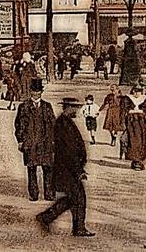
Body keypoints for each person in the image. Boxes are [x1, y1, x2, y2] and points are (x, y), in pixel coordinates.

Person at [36, 97, 93, 238]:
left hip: (68, 168)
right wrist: (78, 171)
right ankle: (76, 227)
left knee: (72, 198)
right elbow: (70, 151)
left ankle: (47, 218)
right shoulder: (63, 124)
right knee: (78, 197)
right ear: (68, 108)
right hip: (67, 169)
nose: (77, 110)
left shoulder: (65, 122)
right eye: (75, 108)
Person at [14, 80, 55, 201]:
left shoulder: (47, 106)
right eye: (33, 91)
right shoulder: (24, 107)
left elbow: (52, 124)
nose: (35, 94)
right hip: (30, 142)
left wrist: (53, 140)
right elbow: (19, 125)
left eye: (38, 91)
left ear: (41, 92)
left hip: (45, 142)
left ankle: (49, 193)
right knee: (31, 169)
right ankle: (33, 194)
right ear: (30, 91)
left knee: (48, 168)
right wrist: (20, 140)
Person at [101, 88, 124, 157]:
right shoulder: (109, 96)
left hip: (118, 111)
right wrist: (99, 110)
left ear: (118, 90)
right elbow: (105, 103)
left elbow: (124, 105)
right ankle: (113, 136)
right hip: (110, 111)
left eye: (114, 90)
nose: (113, 91)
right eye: (112, 90)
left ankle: (115, 135)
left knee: (116, 125)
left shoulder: (121, 97)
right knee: (109, 126)